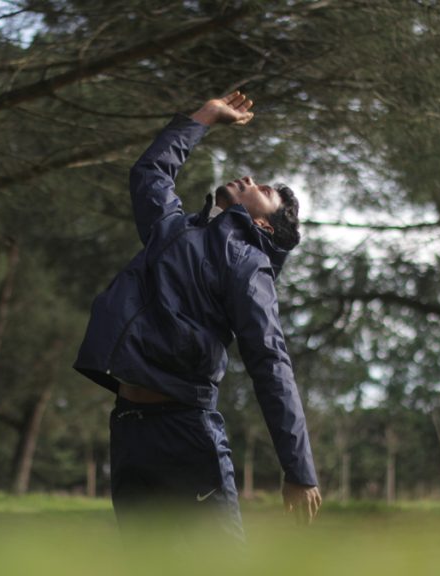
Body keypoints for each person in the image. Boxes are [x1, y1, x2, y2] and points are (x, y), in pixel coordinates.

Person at [74, 91, 321, 540]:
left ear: (265, 225)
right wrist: (205, 115)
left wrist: (298, 469)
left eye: (263, 191)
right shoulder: (174, 228)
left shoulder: (248, 265)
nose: (248, 178)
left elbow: (270, 362)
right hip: (129, 427)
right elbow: (150, 172)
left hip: (186, 430)